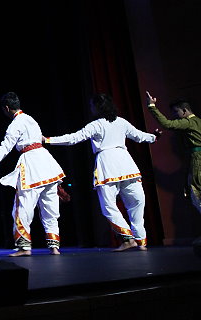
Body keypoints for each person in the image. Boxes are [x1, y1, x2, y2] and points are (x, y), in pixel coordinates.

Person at [45, 93, 158, 251]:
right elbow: (139, 136)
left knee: (108, 205)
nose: (91, 108)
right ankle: (140, 241)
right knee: (136, 203)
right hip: (126, 164)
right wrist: (154, 137)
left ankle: (128, 238)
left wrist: (48, 139)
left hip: (108, 165)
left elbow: (74, 138)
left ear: (97, 108)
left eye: (92, 106)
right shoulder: (121, 122)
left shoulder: (96, 125)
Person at [0, 92, 65, 257]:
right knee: (50, 209)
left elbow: (6, 146)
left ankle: (24, 247)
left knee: (22, 207)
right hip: (48, 164)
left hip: (32, 166)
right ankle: (54, 247)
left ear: (6, 108)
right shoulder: (31, 119)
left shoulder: (16, 124)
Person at [146, 92, 201, 215]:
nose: (175, 116)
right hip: (195, 159)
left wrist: (152, 106)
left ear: (184, 111)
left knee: (196, 192)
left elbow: (167, 124)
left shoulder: (188, 122)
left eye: (176, 112)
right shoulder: (198, 121)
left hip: (197, 160)